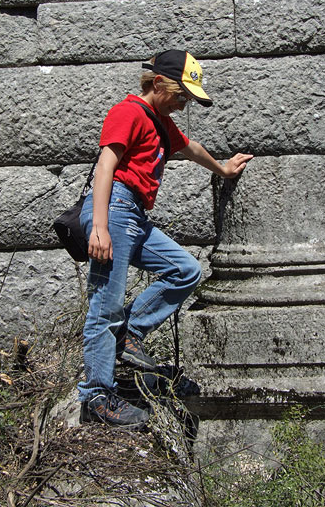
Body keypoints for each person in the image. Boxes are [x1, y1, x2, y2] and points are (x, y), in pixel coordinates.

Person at [78, 49, 253, 429]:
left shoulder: (159, 121)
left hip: (135, 215)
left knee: (185, 269)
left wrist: (223, 169)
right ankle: (96, 397)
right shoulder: (128, 112)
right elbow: (106, 166)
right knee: (105, 306)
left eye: (188, 98)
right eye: (180, 95)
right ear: (158, 83)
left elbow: (189, 148)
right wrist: (101, 227)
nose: (183, 103)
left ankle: (131, 332)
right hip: (117, 209)